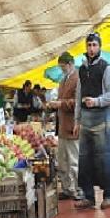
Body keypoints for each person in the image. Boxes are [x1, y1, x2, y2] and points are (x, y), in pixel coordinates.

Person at [73, 32, 110, 210]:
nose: (91, 48)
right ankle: (88, 197)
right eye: (89, 45)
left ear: (99, 47)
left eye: (94, 45)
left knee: (104, 157)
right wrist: (77, 120)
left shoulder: (106, 68)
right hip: (85, 119)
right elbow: (78, 97)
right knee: (84, 159)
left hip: (102, 118)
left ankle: (108, 196)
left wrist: (97, 101)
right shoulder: (82, 69)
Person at [47, 52, 81, 200]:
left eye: (63, 67)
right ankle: (67, 188)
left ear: (70, 64)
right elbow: (63, 100)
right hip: (62, 127)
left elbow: (79, 102)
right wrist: (54, 104)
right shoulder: (63, 80)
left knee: (74, 161)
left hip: (73, 126)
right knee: (62, 162)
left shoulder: (78, 79)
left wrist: (61, 104)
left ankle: (80, 190)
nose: (61, 70)